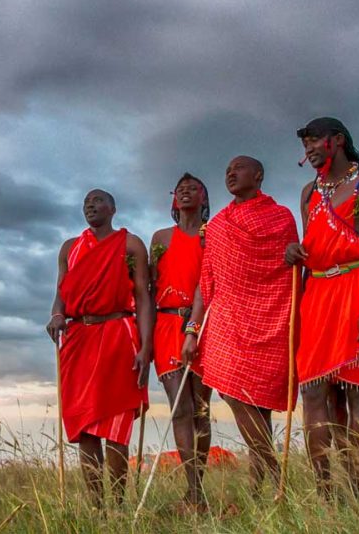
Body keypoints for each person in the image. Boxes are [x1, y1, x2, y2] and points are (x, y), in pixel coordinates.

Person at [285, 117, 359, 496]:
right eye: (304, 143)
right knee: (312, 392)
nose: (308, 148)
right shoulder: (309, 192)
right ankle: (325, 490)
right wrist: (295, 253)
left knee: (358, 390)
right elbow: (313, 246)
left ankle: (356, 487)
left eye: (314, 140)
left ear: (336, 141)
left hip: (358, 286)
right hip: (318, 293)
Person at [181, 156, 299, 490]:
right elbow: (207, 280)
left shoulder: (281, 217)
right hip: (227, 316)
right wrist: (193, 329)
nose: (230, 173)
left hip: (271, 315)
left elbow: (289, 269)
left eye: (238, 168)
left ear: (258, 175)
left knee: (261, 404)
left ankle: (257, 485)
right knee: (234, 394)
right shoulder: (218, 224)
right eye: (227, 169)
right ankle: (274, 471)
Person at [46, 189, 152, 507]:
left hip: (117, 332)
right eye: (86, 203)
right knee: (85, 426)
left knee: (116, 425)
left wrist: (146, 347)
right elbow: (61, 292)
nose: (90, 205)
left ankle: (117, 506)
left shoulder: (130, 244)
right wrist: (56, 315)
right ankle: (97, 509)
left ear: (113, 208)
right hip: (78, 338)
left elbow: (143, 297)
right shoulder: (70, 248)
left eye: (97, 201)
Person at [149, 173, 213, 510]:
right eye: (181, 189)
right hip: (167, 323)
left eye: (194, 188)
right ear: (174, 199)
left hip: (204, 326)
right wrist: (143, 340)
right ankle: (193, 492)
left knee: (200, 410)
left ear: (204, 197)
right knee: (180, 408)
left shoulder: (212, 235)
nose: (186, 192)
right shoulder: (160, 237)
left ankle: (196, 490)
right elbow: (148, 289)